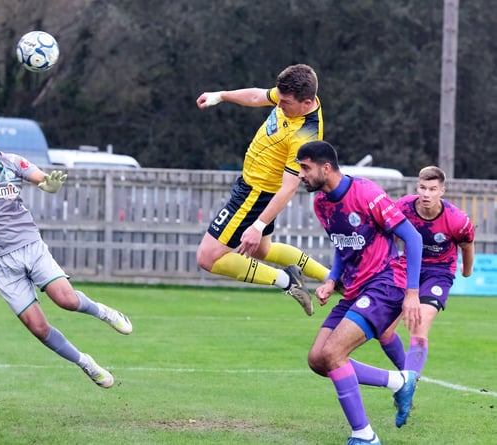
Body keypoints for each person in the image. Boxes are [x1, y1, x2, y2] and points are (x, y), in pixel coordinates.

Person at [0, 124, 133, 388]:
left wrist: (51, 186)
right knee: (38, 328)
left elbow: (43, 180)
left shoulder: (11, 162)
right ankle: (86, 363)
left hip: (30, 246)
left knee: (67, 300)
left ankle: (104, 313)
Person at [296, 140, 423, 445]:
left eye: (305, 167)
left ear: (326, 168)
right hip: (354, 289)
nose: (300, 174)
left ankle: (364, 436)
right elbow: (342, 245)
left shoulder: (367, 194)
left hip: (386, 283)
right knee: (317, 359)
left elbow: (413, 239)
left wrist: (412, 293)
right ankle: (400, 380)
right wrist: (331, 279)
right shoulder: (321, 203)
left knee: (333, 353)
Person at [195, 64, 332, 316]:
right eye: (279, 100)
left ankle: (287, 280)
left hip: (255, 194)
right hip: (253, 187)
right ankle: (334, 278)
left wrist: (257, 225)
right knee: (263, 251)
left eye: (285, 103)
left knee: (207, 257)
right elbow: (259, 96)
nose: (279, 106)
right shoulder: (293, 96)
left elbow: (289, 188)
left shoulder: (306, 135)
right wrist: (222, 95)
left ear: (306, 102)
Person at [378, 166, 475, 375]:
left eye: (432, 189)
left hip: (439, 272)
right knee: (384, 332)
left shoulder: (457, 220)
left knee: (419, 326)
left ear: (442, 191)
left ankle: (408, 386)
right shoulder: (403, 207)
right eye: (422, 188)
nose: (426, 194)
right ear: (417, 187)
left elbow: (467, 246)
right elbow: (389, 235)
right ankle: (408, 378)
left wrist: (466, 272)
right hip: (407, 267)